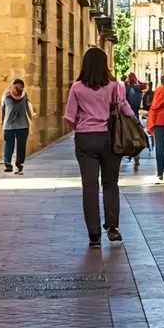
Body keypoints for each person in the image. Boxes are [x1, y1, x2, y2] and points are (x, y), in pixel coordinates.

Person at [65, 48, 133, 249]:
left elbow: (69, 117)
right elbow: (126, 110)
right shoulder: (115, 86)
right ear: (105, 65)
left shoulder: (77, 88)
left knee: (90, 186)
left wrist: (82, 126)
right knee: (111, 183)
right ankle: (112, 226)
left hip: (85, 139)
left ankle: (94, 234)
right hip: (110, 139)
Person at [1, 78, 33, 175]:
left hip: (22, 125)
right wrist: (3, 122)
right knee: (9, 145)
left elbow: (28, 109)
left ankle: (19, 163)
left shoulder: (24, 96)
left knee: (21, 146)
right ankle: (8, 163)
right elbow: (3, 110)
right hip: (9, 125)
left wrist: (31, 121)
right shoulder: (6, 96)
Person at [124, 73, 145, 171]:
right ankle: (136, 155)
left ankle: (130, 153)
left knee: (128, 135)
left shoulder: (127, 88)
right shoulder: (138, 89)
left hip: (127, 115)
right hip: (136, 115)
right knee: (135, 135)